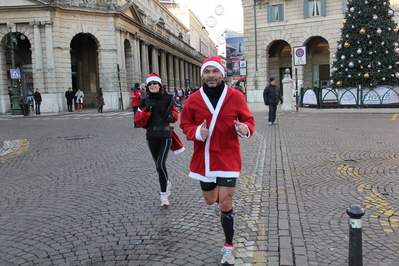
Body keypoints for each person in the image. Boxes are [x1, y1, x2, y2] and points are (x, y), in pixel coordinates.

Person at [180, 56, 255, 265]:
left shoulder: (236, 96)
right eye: (207, 72)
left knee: (225, 201)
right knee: (211, 200)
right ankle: (221, 208)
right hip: (204, 159)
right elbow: (184, 124)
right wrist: (196, 131)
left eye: (215, 72)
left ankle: (228, 246)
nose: (211, 75)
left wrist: (244, 128)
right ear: (202, 75)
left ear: (222, 74)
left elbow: (248, 119)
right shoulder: (193, 99)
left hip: (229, 156)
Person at [134, 72, 184, 206]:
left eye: (154, 83)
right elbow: (138, 121)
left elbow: (175, 114)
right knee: (157, 166)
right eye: (150, 84)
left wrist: (171, 117)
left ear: (160, 85)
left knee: (161, 164)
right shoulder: (144, 101)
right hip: (151, 136)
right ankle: (166, 182)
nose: (152, 86)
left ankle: (163, 196)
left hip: (165, 135)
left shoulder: (168, 99)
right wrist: (146, 112)